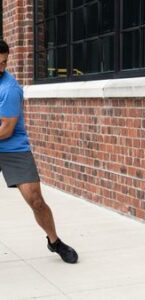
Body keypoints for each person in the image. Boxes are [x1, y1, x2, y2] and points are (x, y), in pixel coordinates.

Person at [0, 40, 78, 264]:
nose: (2, 68)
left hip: (12, 147)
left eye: (4, 63)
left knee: (35, 200)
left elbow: (5, 130)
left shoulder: (9, 89)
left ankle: (55, 242)